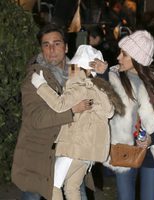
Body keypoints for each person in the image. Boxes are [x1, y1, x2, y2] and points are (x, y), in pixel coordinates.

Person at [95, 30, 154, 200]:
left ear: (138, 58)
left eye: (125, 54)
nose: (119, 57)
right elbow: (103, 103)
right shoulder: (113, 76)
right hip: (125, 149)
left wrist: (152, 139)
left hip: (152, 151)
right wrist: (103, 75)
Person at [31, 44, 125, 200]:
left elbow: (59, 105)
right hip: (87, 153)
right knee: (72, 189)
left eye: (74, 66)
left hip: (75, 148)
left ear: (82, 69)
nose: (70, 69)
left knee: (51, 186)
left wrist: (40, 85)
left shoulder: (81, 87)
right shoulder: (97, 89)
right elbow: (109, 112)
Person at [11, 23, 92, 200]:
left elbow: (100, 97)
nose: (51, 49)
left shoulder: (77, 72)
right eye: (46, 45)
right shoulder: (35, 78)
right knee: (33, 194)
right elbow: (37, 119)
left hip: (71, 151)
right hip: (38, 154)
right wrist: (72, 111)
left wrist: (102, 71)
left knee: (76, 191)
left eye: (56, 43)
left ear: (66, 46)